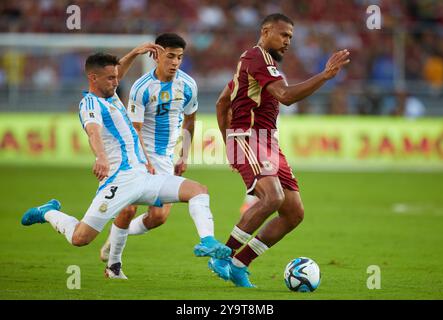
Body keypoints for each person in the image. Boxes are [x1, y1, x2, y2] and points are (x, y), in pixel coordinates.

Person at [21, 47, 231, 279]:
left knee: (198, 190)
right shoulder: (90, 104)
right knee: (80, 238)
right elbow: (94, 132)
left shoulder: (112, 97)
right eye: (111, 78)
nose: (116, 81)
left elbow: (117, 71)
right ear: (93, 78)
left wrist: (135, 52)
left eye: (116, 76)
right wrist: (101, 156)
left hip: (143, 176)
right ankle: (49, 212)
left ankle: (207, 241)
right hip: (118, 182)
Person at [212, 13, 350, 287]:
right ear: (265, 31)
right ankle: (223, 255)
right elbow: (286, 97)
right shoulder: (257, 57)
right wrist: (325, 75)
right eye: (283, 35)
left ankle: (241, 264)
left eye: (290, 37)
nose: (288, 41)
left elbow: (222, 101)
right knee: (273, 198)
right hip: (248, 137)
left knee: (294, 213)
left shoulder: (262, 67)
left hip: (269, 144)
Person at [99, 33, 200, 261]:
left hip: (165, 157)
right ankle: (114, 263)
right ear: (157, 56)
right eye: (170, 56)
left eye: (179, 57)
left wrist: (184, 155)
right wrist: (144, 161)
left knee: (159, 217)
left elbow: (190, 121)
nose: (175, 62)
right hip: (138, 152)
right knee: (128, 208)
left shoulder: (188, 85)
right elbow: (135, 130)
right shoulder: (141, 88)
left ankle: (115, 237)